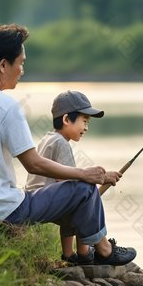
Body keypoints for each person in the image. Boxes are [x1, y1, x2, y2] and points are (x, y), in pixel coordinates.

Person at [0, 23, 136, 266]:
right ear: (3, 65)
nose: (22, 70)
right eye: (21, 63)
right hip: (5, 211)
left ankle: (84, 253)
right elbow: (33, 165)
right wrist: (85, 174)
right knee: (83, 187)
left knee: (78, 184)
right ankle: (104, 251)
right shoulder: (5, 106)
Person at [26, 90, 105, 265]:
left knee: (71, 212)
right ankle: (84, 254)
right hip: (42, 201)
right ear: (66, 119)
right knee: (80, 206)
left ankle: (69, 255)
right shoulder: (62, 143)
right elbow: (68, 183)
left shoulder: (48, 139)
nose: (86, 128)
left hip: (34, 197)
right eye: (84, 121)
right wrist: (102, 178)